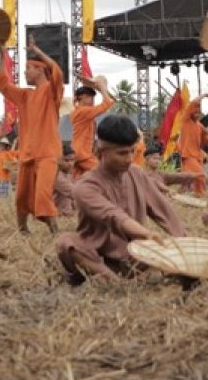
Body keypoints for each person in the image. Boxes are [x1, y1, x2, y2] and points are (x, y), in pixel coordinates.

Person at [55, 116, 187, 284]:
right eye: (122, 153)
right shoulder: (85, 186)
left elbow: (163, 211)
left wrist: (185, 246)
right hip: (99, 259)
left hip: (138, 257)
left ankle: (140, 277)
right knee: (65, 242)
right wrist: (146, 233)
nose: (129, 158)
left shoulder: (137, 174)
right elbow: (114, 216)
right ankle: (118, 283)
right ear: (100, 151)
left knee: (169, 255)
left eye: (132, 151)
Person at [0, 37, 64, 233]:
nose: (24, 72)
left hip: (47, 152)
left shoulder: (52, 91)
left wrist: (37, 51)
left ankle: (55, 233)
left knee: (42, 196)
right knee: (22, 197)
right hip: (27, 153)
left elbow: (57, 70)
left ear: (40, 70)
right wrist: (1, 55)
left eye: (28, 69)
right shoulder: (25, 95)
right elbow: (3, 84)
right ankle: (22, 231)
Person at [70, 76, 114, 178]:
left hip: (78, 151)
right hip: (82, 154)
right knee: (105, 174)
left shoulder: (78, 110)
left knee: (78, 180)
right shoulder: (84, 111)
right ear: (82, 97)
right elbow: (107, 103)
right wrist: (102, 87)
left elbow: (110, 102)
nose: (92, 100)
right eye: (90, 97)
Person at [178, 95, 208, 195]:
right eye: (195, 111)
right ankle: (200, 194)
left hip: (198, 156)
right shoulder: (186, 120)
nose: (197, 113)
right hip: (188, 155)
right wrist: (205, 95)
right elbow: (193, 102)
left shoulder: (199, 125)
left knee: (191, 177)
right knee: (200, 176)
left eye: (198, 112)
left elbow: (204, 141)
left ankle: (197, 194)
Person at [53, 144, 77, 216]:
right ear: (58, 160)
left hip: (66, 213)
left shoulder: (68, 173)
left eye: (72, 160)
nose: (70, 163)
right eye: (66, 160)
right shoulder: (57, 176)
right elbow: (75, 193)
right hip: (59, 213)